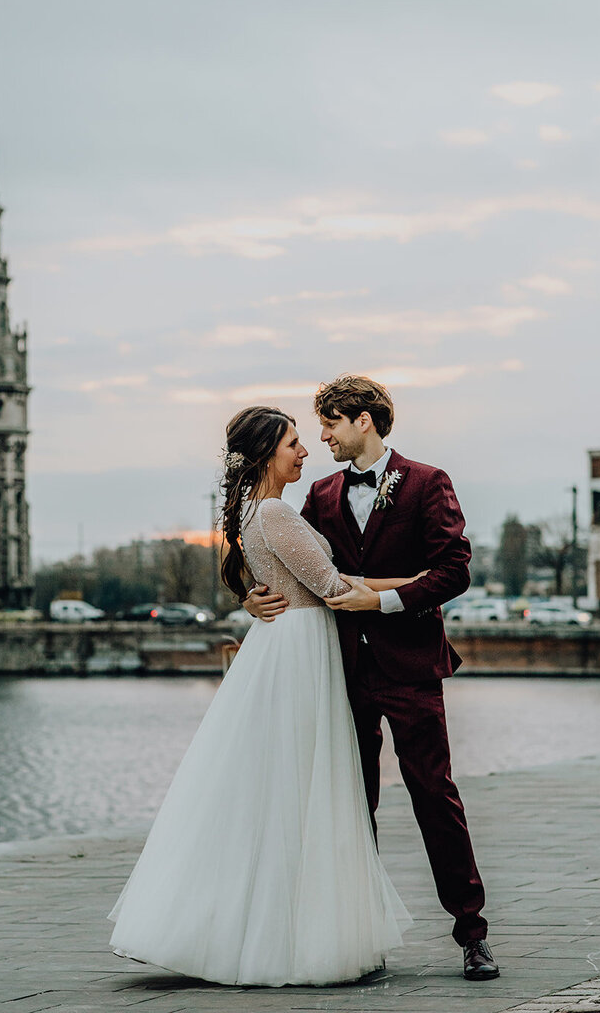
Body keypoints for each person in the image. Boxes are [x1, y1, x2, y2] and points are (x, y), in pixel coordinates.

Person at [109, 405, 419, 987]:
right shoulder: (274, 511)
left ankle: (265, 928)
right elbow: (331, 588)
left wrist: (254, 596)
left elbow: (279, 578)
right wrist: (418, 585)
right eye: (294, 444)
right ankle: (294, 938)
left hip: (286, 647)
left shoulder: (254, 511)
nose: (305, 452)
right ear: (264, 454)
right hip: (301, 651)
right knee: (301, 788)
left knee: (278, 790)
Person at [244, 374, 500, 982]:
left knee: (434, 796)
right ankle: (359, 937)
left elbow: (454, 570)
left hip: (411, 667)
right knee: (352, 804)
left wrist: (382, 603)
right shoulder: (322, 495)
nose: (322, 436)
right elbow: (298, 569)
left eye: (330, 422)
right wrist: (253, 601)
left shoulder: (427, 482)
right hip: (341, 670)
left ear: (364, 420)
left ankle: (473, 934)